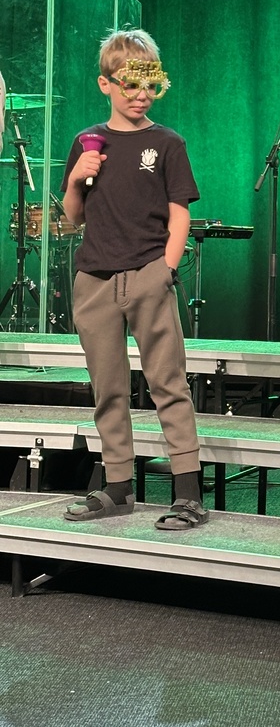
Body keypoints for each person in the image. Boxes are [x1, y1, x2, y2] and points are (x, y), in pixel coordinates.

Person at [61, 29, 208, 531]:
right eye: (130, 84)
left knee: (168, 383)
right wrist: (77, 176)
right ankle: (118, 486)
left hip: (147, 273)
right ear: (105, 84)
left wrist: (165, 268)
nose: (141, 94)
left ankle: (187, 492)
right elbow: (72, 218)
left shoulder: (166, 143)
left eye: (151, 84)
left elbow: (179, 211)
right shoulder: (86, 142)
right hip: (95, 279)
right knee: (108, 387)